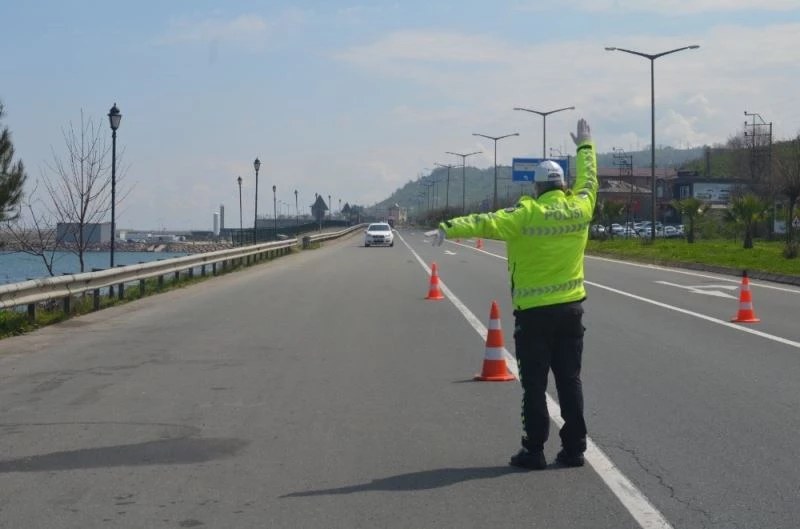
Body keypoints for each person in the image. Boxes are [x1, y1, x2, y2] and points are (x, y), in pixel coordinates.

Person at [428, 118, 597, 470]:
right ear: (562, 185)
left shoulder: (525, 214)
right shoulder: (580, 207)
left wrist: (447, 227)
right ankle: (575, 449)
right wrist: (585, 146)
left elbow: (484, 221)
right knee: (570, 380)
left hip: (534, 314)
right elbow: (590, 181)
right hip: (571, 310)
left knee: (534, 385)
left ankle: (533, 450)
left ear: (535, 188)